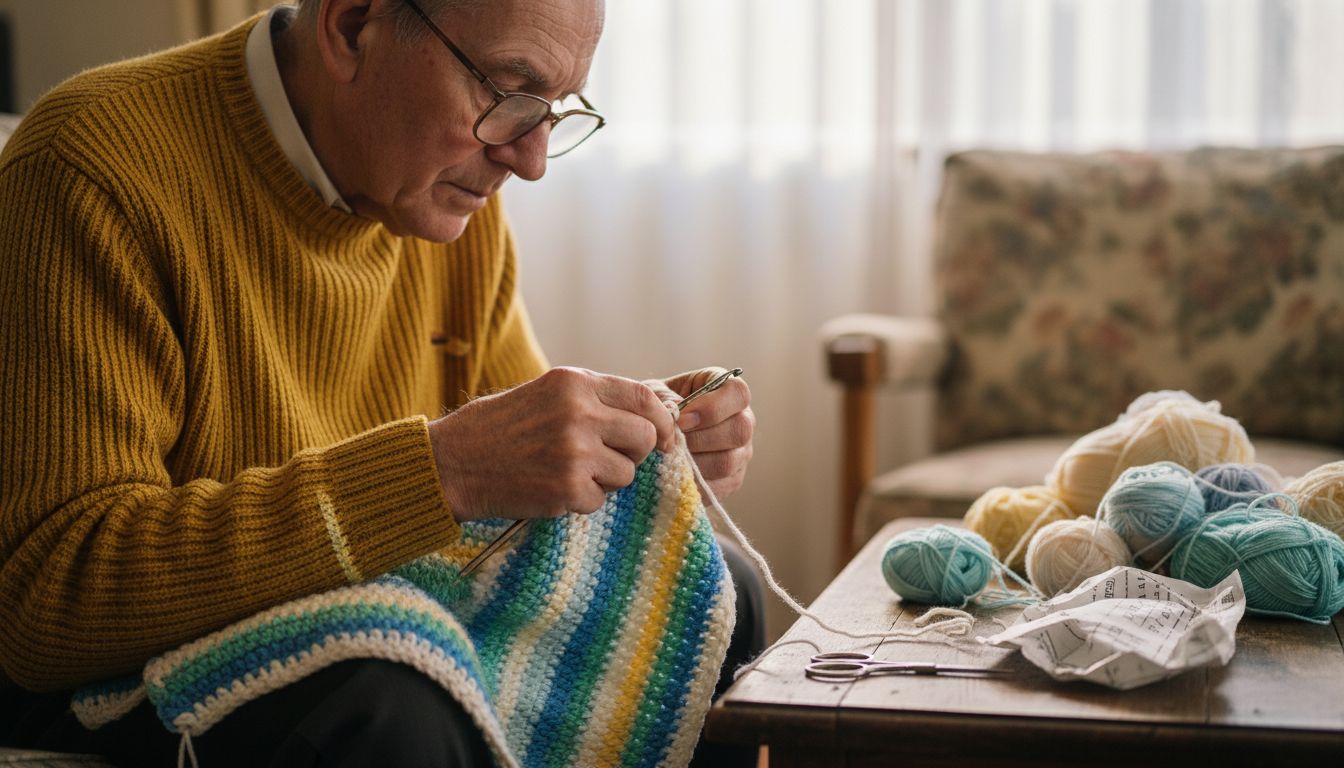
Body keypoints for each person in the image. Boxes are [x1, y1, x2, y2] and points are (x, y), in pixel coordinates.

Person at [0, 0, 761, 765]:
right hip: (129, 681)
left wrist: (622, 451)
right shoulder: (89, 169)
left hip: (370, 627)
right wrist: (442, 470)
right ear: (352, 25)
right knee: (389, 707)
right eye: (506, 93)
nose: (529, 159)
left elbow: (517, 492)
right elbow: (46, 599)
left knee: (710, 598)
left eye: (555, 110)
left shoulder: (444, 198)